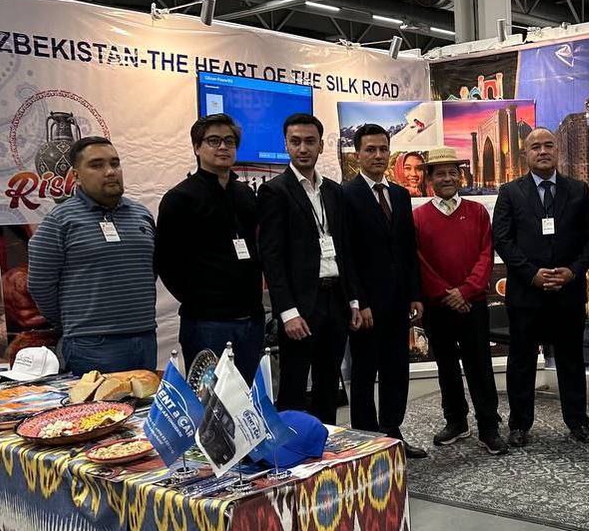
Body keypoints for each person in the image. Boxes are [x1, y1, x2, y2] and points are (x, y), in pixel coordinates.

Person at [492, 128, 589, 447]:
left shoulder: (578, 190)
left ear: (557, 151)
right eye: (535, 146)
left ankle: (578, 422)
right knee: (522, 361)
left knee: (571, 360)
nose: (543, 151)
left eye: (548, 145)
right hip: (526, 294)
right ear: (525, 154)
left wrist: (573, 271)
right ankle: (519, 425)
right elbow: (502, 239)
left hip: (568, 293)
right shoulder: (510, 192)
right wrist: (531, 274)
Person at [257, 113, 363, 426]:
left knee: (328, 383)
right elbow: (271, 258)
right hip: (301, 305)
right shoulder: (275, 191)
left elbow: (345, 249)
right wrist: (287, 312)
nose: (303, 148)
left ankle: (323, 441)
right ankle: (290, 449)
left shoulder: (333, 191)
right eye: (295, 142)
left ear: (320, 146)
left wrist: (354, 300)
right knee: (293, 383)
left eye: (309, 141)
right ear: (286, 145)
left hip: (336, 299)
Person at [28, 136, 157, 374]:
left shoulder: (141, 214)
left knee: (146, 400)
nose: (110, 172)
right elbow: (40, 284)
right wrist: (75, 321)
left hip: (145, 339)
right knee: (98, 402)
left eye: (115, 163)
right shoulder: (59, 221)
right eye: (97, 165)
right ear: (76, 176)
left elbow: (149, 270)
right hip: (91, 344)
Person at [414, 146, 508, 455]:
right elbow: (419, 262)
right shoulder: (418, 217)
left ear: (460, 177)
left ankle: (488, 427)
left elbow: (486, 254)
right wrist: (447, 294)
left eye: (452, 172)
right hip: (438, 306)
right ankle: (456, 421)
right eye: (440, 173)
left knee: (480, 366)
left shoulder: (477, 211)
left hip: (473, 303)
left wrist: (465, 291)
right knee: (447, 367)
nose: (447, 178)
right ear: (430, 179)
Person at [156, 113, 263, 382]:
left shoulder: (245, 194)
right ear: (197, 147)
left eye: (229, 141)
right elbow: (166, 262)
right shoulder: (180, 198)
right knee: (209, 400)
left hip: (251, 319)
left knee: (245, 397)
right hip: (207, 322)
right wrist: (200, 300)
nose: (223, 147)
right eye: (214, 141)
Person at [342, 124, 428, 459]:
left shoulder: (400, 195)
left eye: (383, 149)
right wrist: (358, 301)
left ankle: (392, 434)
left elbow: (408, 250)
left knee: (396, 370)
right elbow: (347, 255)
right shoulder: (346, 195)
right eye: (370, 149)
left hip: (398, 301)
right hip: (367, 306)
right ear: (358, 154)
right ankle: (366, 443)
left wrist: (415, 293)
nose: (378, 155)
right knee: (364, 373)